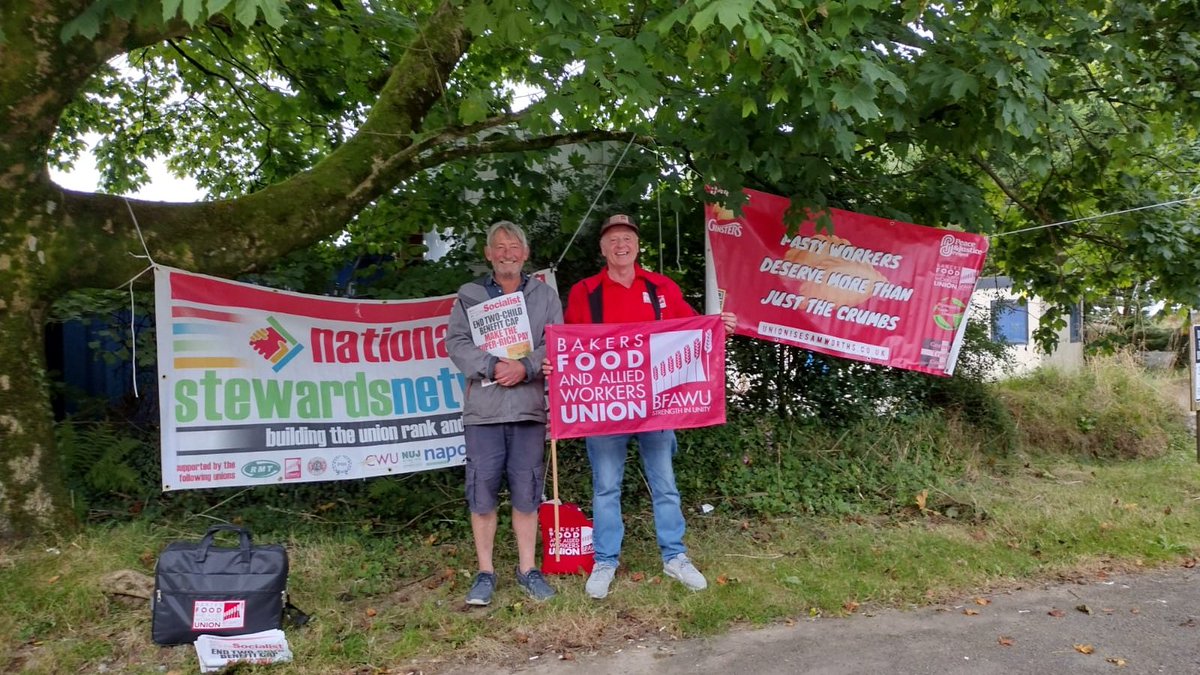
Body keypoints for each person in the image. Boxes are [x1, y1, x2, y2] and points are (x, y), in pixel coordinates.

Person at [560, 213, 736, 599]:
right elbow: (570, 346)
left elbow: (693, 331)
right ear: (602, 248)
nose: (620, 245)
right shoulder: (585, 292)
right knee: (606, 487)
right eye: (612, 239)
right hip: (605, 407)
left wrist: (719, 324)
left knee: (665, 485)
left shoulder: (660, 288)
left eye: (626, 238)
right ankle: (605, 561)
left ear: (637, 245)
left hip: (657, 407)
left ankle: (675, 557)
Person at [446, 220, 563, 605]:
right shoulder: (470, 295)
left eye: (514, 246)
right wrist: (493, 366)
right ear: (488, 254)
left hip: (529, 410)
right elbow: (457, 342)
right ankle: (485, 573)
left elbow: (557, 342)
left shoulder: (544, 296)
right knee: (482, 496)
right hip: (484, 411)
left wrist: (525, 366)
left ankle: (528, 570)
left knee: (527, 494)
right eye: (499, 246)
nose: (507, 252)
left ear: (526, 254)